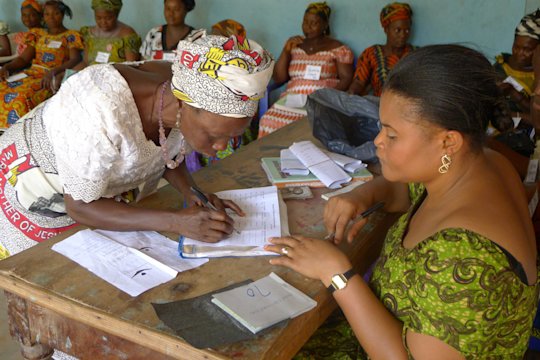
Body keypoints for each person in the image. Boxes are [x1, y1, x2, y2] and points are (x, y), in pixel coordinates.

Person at [265, 45, 538, 359]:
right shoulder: (483, 163)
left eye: (392, 135)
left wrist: (336, 272)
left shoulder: (462, 257)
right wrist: (361, 195)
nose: (377, 141)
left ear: (448, 141)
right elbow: (407, 193)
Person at [0, 34, 273, 261]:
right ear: (185, 107)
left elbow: (166, 150)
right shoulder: (100, 109)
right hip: (32, 191)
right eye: (214, 136)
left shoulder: (185, 88)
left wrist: (193, 194)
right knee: (40, 278)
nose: (220, 147)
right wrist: (176, 221)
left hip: (99, 195)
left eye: (232, 137)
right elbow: (81, 207)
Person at [257, 2, 354, 138]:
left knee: (308, 126)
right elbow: (279, 78)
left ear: (325, 25)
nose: (308, 27)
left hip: (320, 99)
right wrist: (286, 50)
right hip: (292, 99)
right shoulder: (295, 44)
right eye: (305, 22)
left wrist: (328, 97)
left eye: (314, 23)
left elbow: (346, 78)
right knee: (268, 120)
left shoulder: (337, 48)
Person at [0, 0, 83, 128]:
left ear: (63, 14)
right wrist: (7, 67)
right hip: (30, 73)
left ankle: (17, 133)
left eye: (56, 13)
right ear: (43, 16)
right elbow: (23, 59)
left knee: (22, 97)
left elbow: (75, 59)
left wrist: (54, 72)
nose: (51, 17)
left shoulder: (71, 36)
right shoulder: (37, 34)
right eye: (47, 14)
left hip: (49, 77)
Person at [348, 2, 415, 97]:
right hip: (378, 106)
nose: (403, 35)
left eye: (407, 30)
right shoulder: (371, 53)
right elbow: (358, 83)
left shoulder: (416, 54)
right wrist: (352, 94)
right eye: (398, 30)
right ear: (386, 29)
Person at [494, 10, 540, 129]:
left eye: (527, 49)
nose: (520, 53)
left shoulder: (537, 76)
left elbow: (537, 117)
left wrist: (513, 93)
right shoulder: (500, 67)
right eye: (516, 47)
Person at [77, 0, 141, 67]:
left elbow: (131, 66)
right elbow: (85, 63)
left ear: (116, 15)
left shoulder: (127, 34)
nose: (103, 22)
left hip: (117, 75)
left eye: (108, 18)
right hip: (91, 75)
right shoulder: (89, 34)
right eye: (98, 18)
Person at [140, 0, 205, 61]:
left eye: (176, 9)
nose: (171, 14)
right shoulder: (154, 33)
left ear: (186, 10)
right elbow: (143, 63)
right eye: (168, 8)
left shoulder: (197, 38)